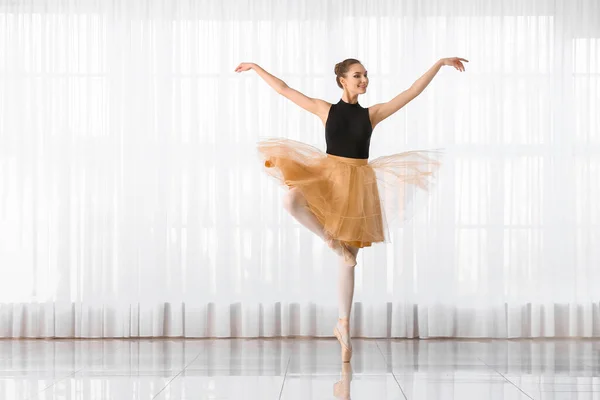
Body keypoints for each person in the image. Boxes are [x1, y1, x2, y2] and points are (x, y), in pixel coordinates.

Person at [235, 57, 468, 363]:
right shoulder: (325, 109)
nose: (364, 80)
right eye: (358, 75)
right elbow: (284, 89)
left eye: (366, 75)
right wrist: (255, 67)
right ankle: (328, 239)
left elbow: (411, 92)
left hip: (357, 185)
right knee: (291, 200)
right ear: (342, 80)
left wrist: (438, 65)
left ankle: (343, 325)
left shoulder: (372, 114)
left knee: (350, 259)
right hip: (328, 177)